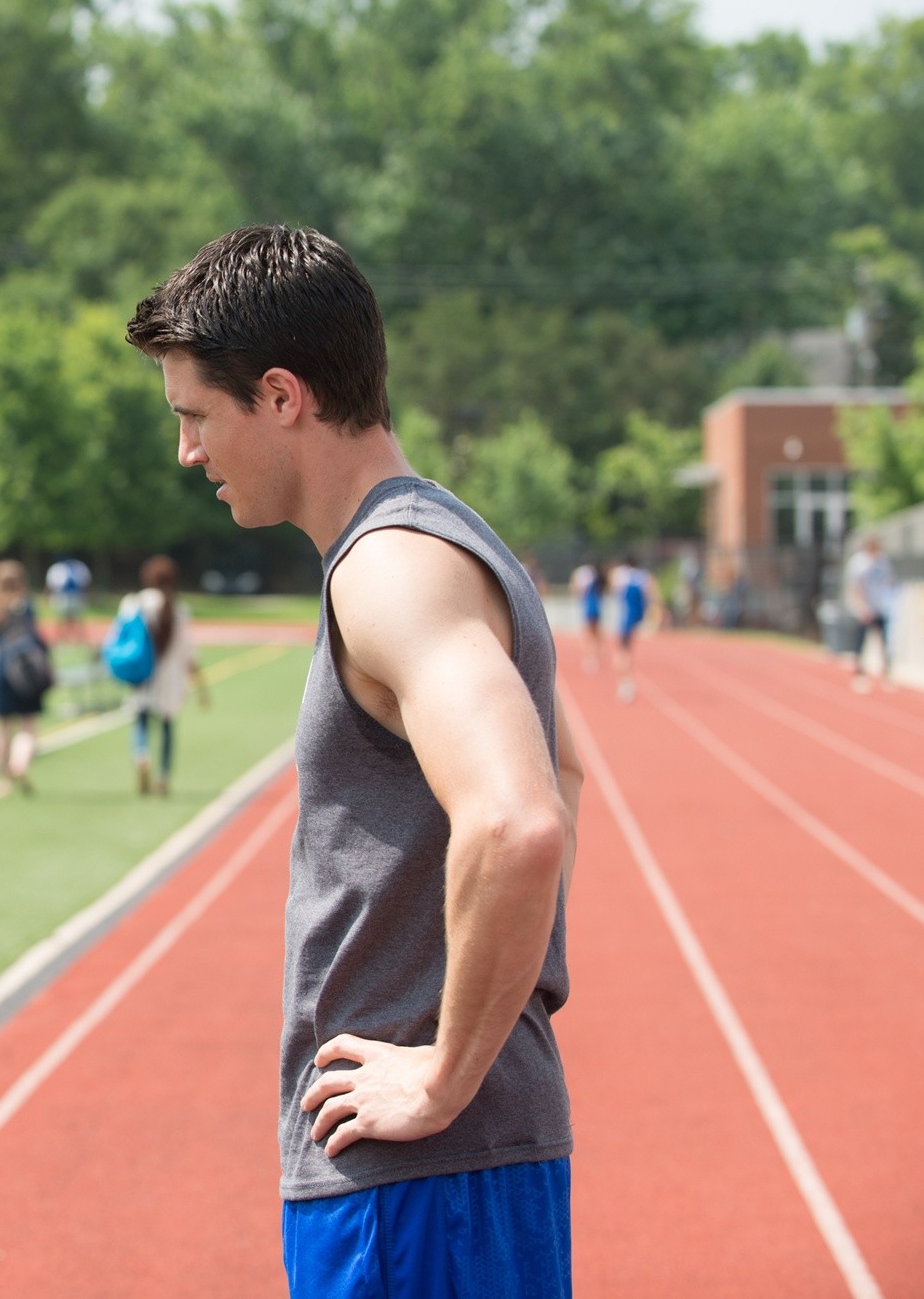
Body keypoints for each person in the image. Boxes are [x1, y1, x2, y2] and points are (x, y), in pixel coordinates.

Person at [127, 225, 583, 1296]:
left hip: (420, 1182)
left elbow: (520, 819)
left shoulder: (388, 570)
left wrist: (441, 1072)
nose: (186, 452)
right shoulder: (439, 544)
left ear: (281, 396)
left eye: (195, 416)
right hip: (453, 1174)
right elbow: (564, 770)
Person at [118, 555, 209, 797]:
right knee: (167, 726)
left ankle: (141, 755)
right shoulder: (178, 608)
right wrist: (202, 688)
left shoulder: (134, 603)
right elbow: (189, 652)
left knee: (141, 720)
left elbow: (121, 638)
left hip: (143, 674)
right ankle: (163, 775)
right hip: (169, 679)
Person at [0, 560, 49, 798]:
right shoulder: (25, 607)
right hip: (25, 669)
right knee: (28, 725)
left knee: (3, 727)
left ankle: (4, 778)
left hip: (0, 669)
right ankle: (20, 763)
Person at [843, 534, 895, 692]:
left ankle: (886, 674)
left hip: (881, 607)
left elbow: (888, 582)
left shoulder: (883, 561)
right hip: (864, 609)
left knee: (884, 642)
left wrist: (888, 602)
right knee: (860, 642)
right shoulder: (858, 562)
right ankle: (859, 674)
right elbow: (854, 586)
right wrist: (862, 607)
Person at [611, 555, 653, 703]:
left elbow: (615, 591)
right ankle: (626, 680)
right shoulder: (643, 576)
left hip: (625, 618)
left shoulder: (621, 575)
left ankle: (625, 681)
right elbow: (649, 594)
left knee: (622, 651)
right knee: (627, 649)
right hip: (636, 617)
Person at [568, 560, 605, 673]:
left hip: (589, 607)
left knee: (588, 634)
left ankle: (589, 658)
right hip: (596, 607)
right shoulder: (597, 578)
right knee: (595, 634)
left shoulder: (584, 576)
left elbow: (574, 589)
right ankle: (593, 657)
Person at [44, 556, 92, 643]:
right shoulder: (59, 568)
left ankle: (78, 638)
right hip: (64, 595)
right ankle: (60, 638)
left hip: (71, 595)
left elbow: (85, 583)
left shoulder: (76, 567)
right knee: (63, 619)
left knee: (75, 619)